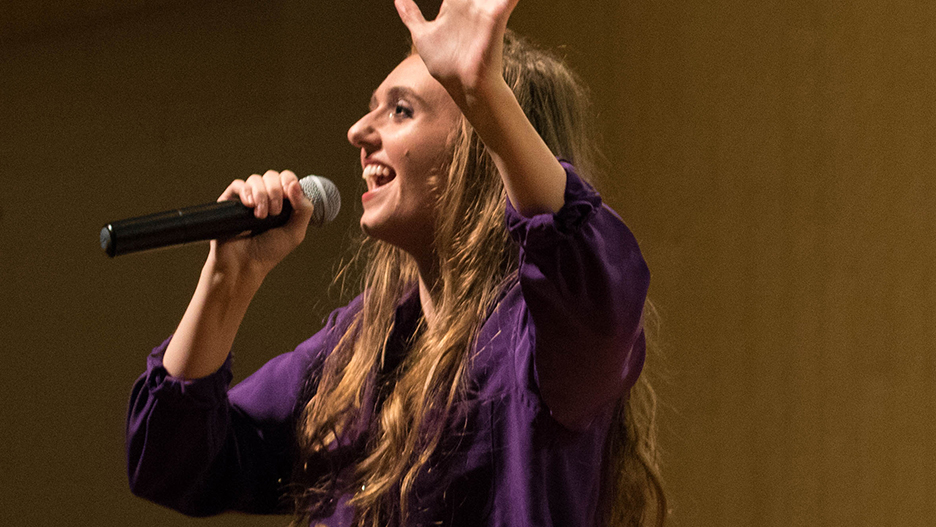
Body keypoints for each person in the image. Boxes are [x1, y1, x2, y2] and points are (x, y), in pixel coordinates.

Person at [126, 0, 666, 525]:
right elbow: (176, 463)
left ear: (477, 145)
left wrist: (484, 95)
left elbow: (597, 287)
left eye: (400, 110)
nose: (358, 131)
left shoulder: (541, 339)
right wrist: (228, 279)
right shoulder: (363, 347)